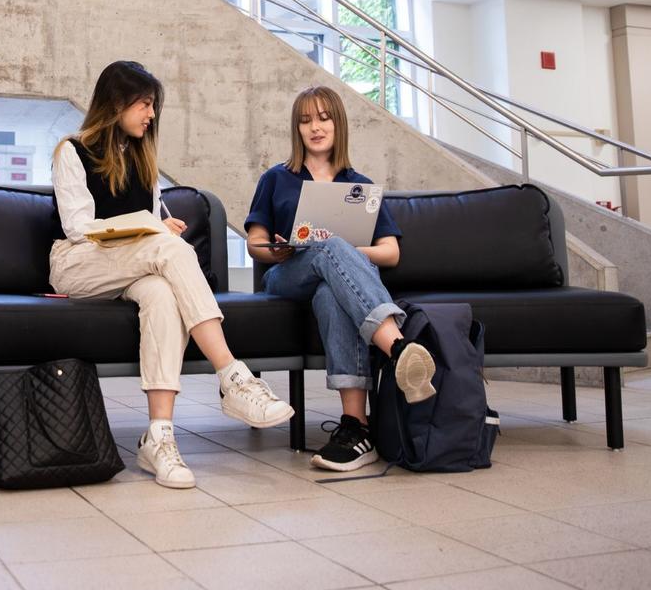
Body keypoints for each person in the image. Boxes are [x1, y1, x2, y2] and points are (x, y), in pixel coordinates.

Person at [50, 60, 294, 489]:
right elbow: (78, 228)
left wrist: (156, 227)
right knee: (166, 245)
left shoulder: (143, 159)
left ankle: (158, 436)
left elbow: (153, 224)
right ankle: (232, 377)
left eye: (152, 106)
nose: (150, 115)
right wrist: (150, 229)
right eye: (144, 104)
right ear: (116, 103)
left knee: (162, 294)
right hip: (77, 265)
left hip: (131, 269)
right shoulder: (72, 150)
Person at [245, 84, 436, 472]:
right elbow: (255, 244)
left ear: (338, 124)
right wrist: (279, 250)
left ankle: (356, 428)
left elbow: (390, 251)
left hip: (328, 286)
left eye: (323, 118)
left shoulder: (359, 185)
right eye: (305, 121)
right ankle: (398, 347)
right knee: (328, 248)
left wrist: (340, 252)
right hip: (286, 276)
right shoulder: (276, 178)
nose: (315, 127)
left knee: (331, 293)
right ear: (297, 130)